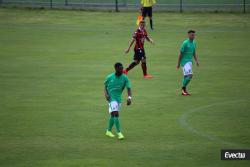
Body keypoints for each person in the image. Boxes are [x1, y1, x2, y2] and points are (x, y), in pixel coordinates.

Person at [104, 62, 132, 140]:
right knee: (116, 114)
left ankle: (108, 131)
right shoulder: (109, 77)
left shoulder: (125, 78)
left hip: (118, 99)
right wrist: (106, 95)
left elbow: (129, 88)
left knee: (113, 115)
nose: (122, 70)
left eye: (122, 68)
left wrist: (129, 98)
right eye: (120, 68)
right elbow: (105, 87)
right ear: (116, 69)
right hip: (111, 99)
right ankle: (119, 133)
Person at [177, 30, 200, 96]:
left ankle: (184, 91)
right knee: (190, 75)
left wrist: (196, 61)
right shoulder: (185, 43)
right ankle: (183, 88)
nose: (193, 36)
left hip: (190, 62)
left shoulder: (194, 43)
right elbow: (180, 53)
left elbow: (194, 52)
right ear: (188, 35)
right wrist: (178, 63)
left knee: (185, 76)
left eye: (194, 35)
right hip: (184, 62)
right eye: (192, 35)